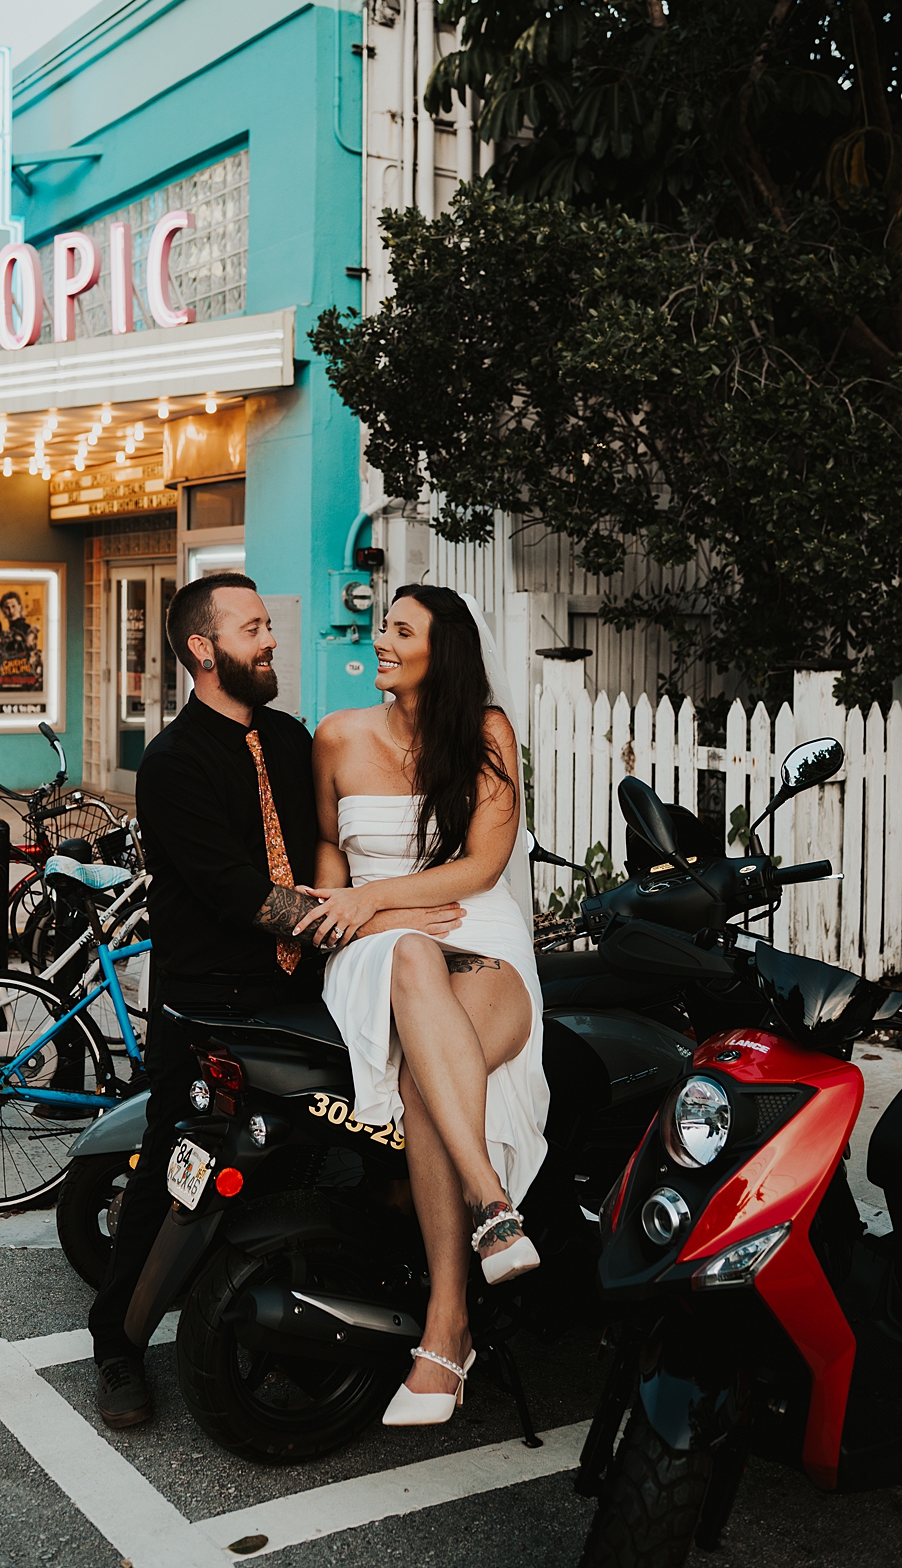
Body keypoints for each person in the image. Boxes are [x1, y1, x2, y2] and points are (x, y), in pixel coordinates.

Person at [88, 572, 466, 1427]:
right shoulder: (174, 764)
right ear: (202, 649)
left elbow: (340, 843)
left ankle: (303, 1306)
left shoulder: (293, 740)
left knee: (331, 1145)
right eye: (253, 627)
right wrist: (370, 920)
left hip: (308, 988)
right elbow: (240, 893)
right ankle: (115, 1344)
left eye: (268, 622)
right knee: (175, 1168)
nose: (270, 640)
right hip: (209, 1000)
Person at [300, 584, 550, 1428]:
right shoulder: (335, 735)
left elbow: (482, 866)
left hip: (479, 930)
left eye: (400, 629)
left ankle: (449, 1328)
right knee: (409, 957)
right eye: (383, 625)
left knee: (426, 1085)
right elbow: (332, 861)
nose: (380, 638)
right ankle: (491, 1204)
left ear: (441, 652)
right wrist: (370, 913)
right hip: (376, 944)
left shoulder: (485, 734)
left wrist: (385, 900)